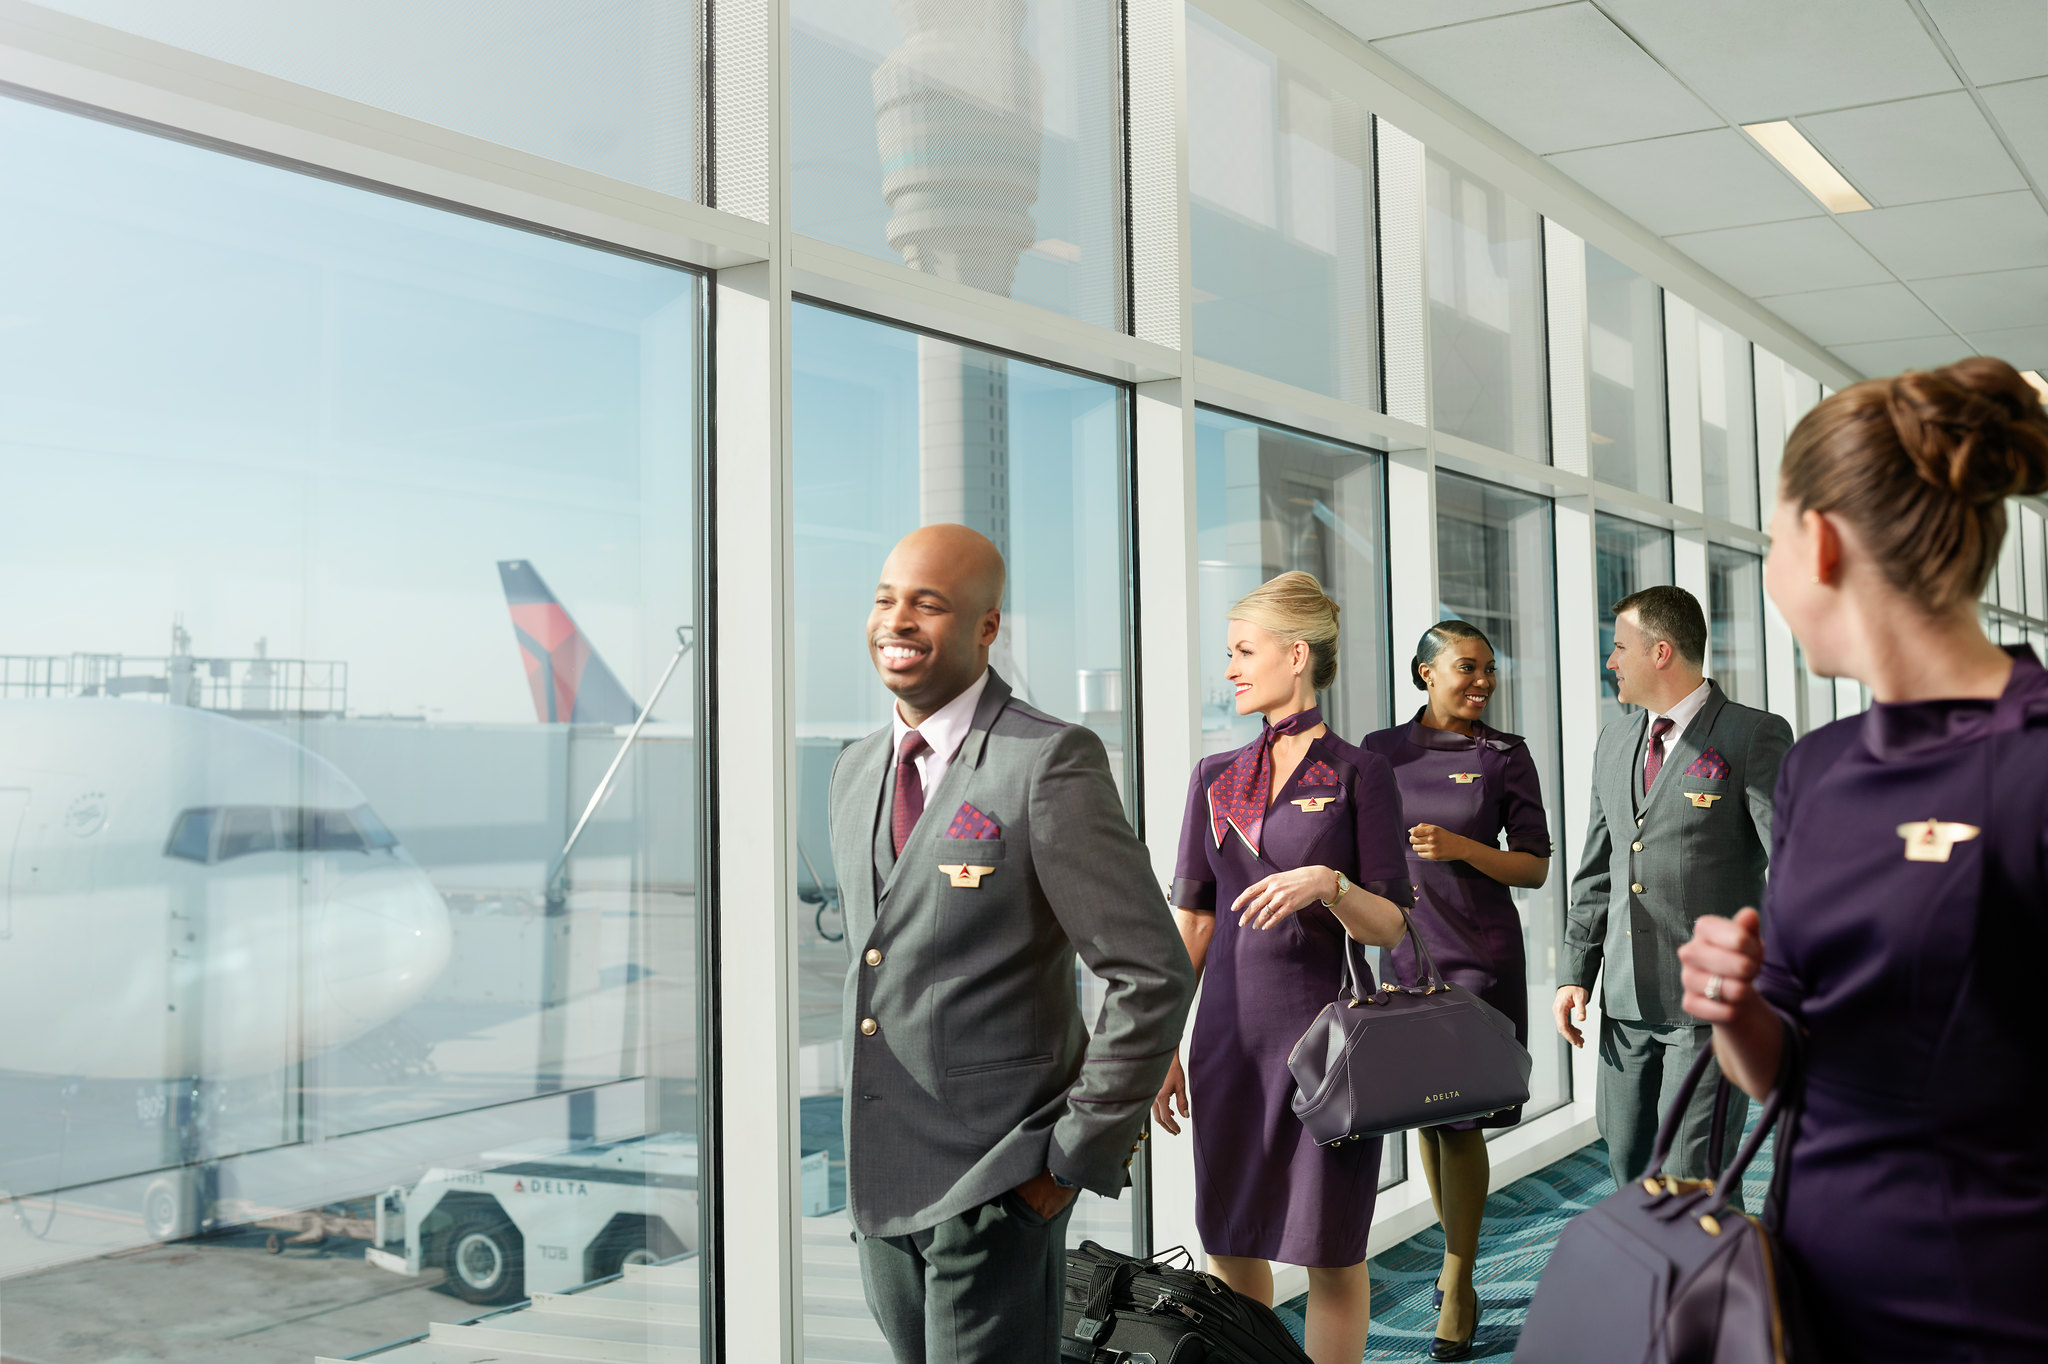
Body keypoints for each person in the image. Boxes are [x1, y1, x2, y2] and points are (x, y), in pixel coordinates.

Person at [1677, 357, 2048, 1362]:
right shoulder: (1816, 770)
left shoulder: (2032, 761)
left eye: (1767, 540)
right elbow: (1778, 1066)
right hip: (1807, 1292)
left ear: (1821, 542)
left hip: (1992, 1309)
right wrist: (1736, 1000)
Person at [829, 523, 1195, 1364]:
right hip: (878, 1185)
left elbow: (1151, 973)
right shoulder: (853, 770)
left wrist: (1067, 1159)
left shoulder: (1048, 761)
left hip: (999, 1182)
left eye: (930, 604)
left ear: (987, 626)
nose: (898, 621)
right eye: (887, 599)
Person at [1151, 571, 1412, 1364]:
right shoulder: (1215, 778)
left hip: (1325, 1046)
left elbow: (1393, 922)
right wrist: (1159, 1038)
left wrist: (1329, 886)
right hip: (1227, 1040)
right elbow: (1192, 921)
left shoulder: (1361, 774)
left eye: (1243, 651)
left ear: (1295, 655)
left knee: (1331, 1249)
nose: (1229, 668)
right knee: (1232, 1242)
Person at [1555, 585, 1791, 1199]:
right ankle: (1659, 1289)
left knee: (1694, 1172)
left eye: (1619, 648)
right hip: (1627, 998)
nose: (1612, 663)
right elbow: (1598, 867)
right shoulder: (1613, 743)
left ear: (1661, 652)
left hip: (1709, 1004)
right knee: (1629, 1162)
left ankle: (1726, 1292)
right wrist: (1574, 969)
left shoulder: (1751, 736)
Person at [1359, 621, 1550, 1361]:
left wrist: (1466, 847)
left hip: (1479, 958)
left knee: (1460, 1119)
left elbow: (1532, 867)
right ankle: (1455, 1256)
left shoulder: (1503, 756)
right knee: (1427, 1119)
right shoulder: (1379, 753)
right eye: (1467, 667)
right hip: (1403, 958)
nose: (1482, 681)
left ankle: (1459, 1279)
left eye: (1490, 670)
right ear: (1424, 675)